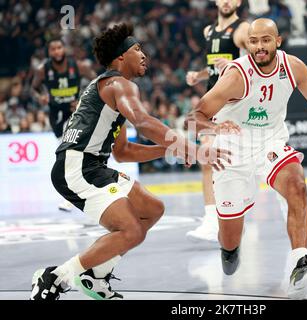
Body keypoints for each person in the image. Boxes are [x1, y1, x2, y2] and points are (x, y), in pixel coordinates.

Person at [30, 23, 230, 300]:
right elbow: (144, 121)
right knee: (131, 229)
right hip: (76, 167)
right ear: (121, 57)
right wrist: (191, 148)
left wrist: (170, 150)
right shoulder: (118, 85)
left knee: (152, 209)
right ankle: (54, 277)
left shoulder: (110, 88)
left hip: (93, 165)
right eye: (138, 50)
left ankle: (96, 275)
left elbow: (123, 151)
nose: (144, 55)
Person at [186, 18, 307, 299]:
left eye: (265, 40)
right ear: (247, 44)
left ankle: (300, 265)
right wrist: (215, 127)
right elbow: (195, 117)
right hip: (232, 149)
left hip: (270, 142)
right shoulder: (236, 75)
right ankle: (229, 248)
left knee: (298, 184)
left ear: (278, 41)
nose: (259, 47)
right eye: (254, 41)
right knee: (230, 240)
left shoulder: (293, 67)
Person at [185, 0, 249, 243]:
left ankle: (231, 218)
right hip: (211, 101)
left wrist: (234, 64)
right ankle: (212, 220)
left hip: (233, 104)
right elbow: (213, 66)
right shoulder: (208, 31)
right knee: (207, 157)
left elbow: (258, 59)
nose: (226, 1)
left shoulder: (243, 29)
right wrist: (198, 75)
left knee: (235, 164)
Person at [31, 37, 96, 211]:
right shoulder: (42, 70)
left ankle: (72, 196)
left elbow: (97, 82)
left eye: (59, 48)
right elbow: (34, 87)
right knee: (66, 154)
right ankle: (80, 190)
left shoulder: (79, 66)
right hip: (55, 115)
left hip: (74, 112)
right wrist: (41, 97)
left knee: (69, 153)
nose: (57, 51)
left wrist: (83, 99)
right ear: (49, 52)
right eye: (53, 49)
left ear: (64, 49)